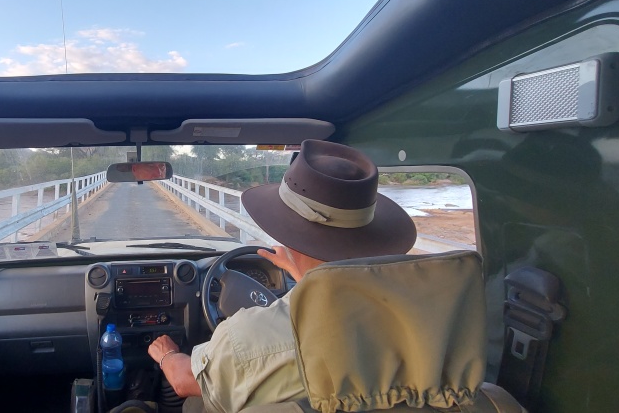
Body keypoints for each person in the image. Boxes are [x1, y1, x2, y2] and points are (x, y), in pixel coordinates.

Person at [147, 139, 417, 412]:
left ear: (286, 236)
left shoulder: (247, 337)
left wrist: (166, 352)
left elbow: (184, 381)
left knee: (194, 404)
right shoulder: (416, 315)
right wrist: (299, 270)